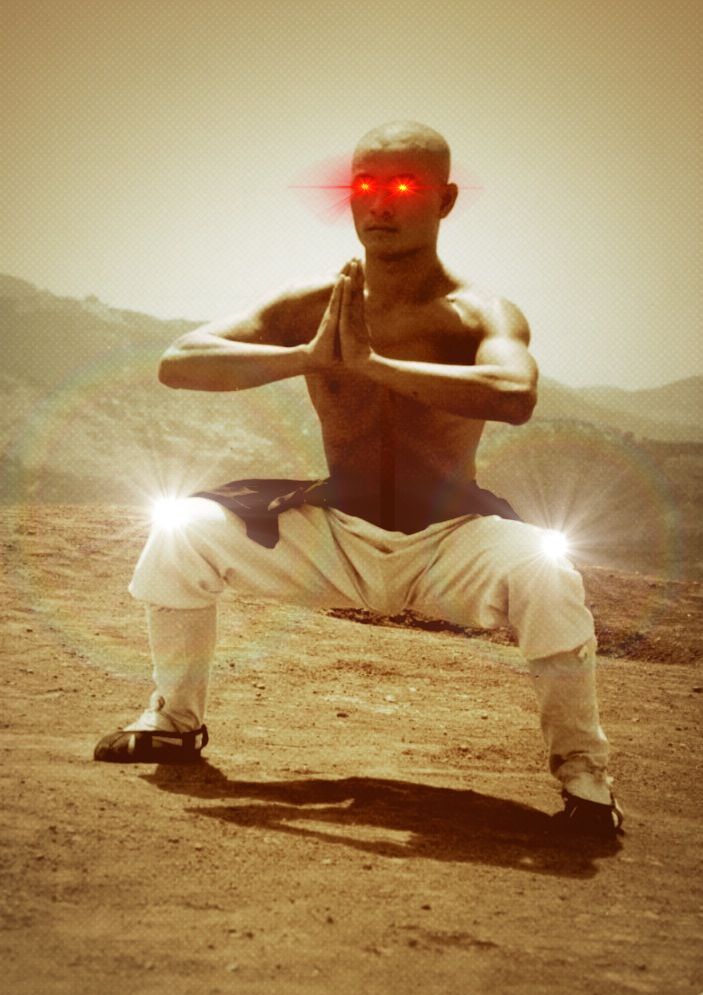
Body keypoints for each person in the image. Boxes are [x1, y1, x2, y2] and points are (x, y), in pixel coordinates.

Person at [94, 121, 623, 838]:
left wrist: (374, 365)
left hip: (448, 544)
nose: (380, 203)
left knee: (547, 570)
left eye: (403, 185)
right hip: (335, 536)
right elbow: (178, 361)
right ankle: (174, 720)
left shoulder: (478, 311)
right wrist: (307, 357)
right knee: (182, 531)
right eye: (365, 185)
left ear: (445, 200)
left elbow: (513, 393)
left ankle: (584, 775)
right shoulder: (315, 304)